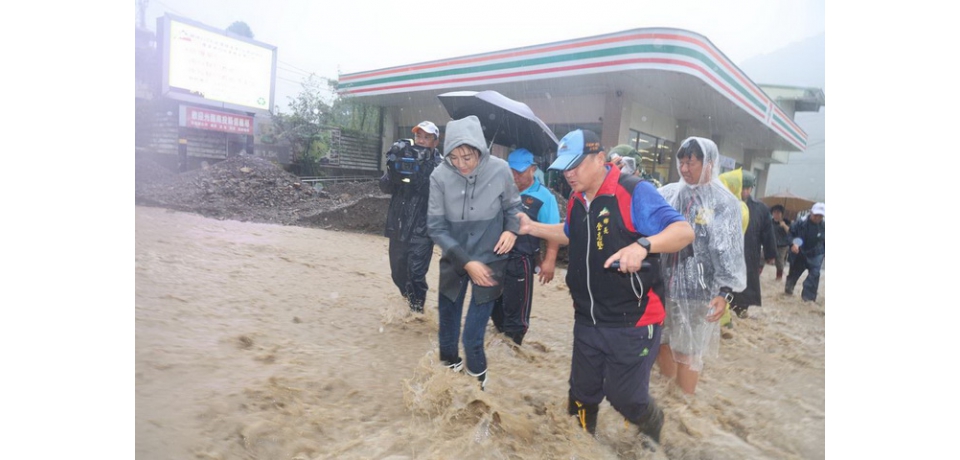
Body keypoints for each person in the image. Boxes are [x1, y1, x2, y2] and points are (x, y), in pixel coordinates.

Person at [517, 129, 694, 443]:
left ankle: (654, 430)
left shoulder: (633, 192)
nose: (569, 174)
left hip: (633, 320)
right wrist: (533, 227)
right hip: (588, 319)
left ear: (600, 158)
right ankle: (583, 447)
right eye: (564, 167)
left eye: (576, 165)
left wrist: (643, 245)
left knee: (625, 398)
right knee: (581, 398)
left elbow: (683, 231)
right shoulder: (577, 198)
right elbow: (571, 232)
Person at [427, 115, 523, 391]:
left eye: (467, 157)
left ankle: (478, 393)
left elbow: (514, 207)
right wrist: (467, 262)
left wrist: (511, 230)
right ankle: (450, 389)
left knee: (471, 339)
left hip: (491, 260)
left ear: (480, 149)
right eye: (454, 157)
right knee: (446, 339)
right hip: (455, 260)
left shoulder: (500, 170)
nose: (461, 164)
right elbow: (435, 226)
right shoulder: (439, 176)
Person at [657, 137, 747, 395]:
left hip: (699, 293)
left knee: (688, 350)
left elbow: (729, 253)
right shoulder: (670, 193)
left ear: (709, 163)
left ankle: (684, 406)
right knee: (662, 341)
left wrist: (723, 294)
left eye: (691, 162)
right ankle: (667, 398)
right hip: (663, 285)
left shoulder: (724, 203)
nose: (684, 169)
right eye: (681, 162)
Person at [490, 148, 561, 345]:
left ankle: (513, 350)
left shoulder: (544, 197)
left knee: (516, 315)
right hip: (495, 258)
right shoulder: (500, 190)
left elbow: (554, 233)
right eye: (511, 171)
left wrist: (549, 261)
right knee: (494, 308)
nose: (515, 176)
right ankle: (499, 348)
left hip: (521, 261)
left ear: (533, 169)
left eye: (520, 172)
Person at [379, 121, 442, 313]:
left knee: (416, 273)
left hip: (423, 228)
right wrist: (393, 170)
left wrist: (421, 170)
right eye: (418, 136)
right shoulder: (403, 155)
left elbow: (437, 194)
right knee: (398, 273)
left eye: (426, 137)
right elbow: (385, 187)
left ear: (435, 142)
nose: (421, 141)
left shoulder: (440, 165)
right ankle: (409, 299)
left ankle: (417, 312)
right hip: (399, 224)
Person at [729, 171, 777, 318]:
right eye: (742, 187)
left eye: (748, 188)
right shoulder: (725, 204)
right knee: (727, 282)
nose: (744, 191)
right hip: (728, 253)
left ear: (751, 189)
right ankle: (725, 311)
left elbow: (767, 233)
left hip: (749, 253)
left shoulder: (760, 209)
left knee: (747, 283)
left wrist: (770, 254)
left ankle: (741, 309)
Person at [785, 202, 825, 302]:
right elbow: (790, 235)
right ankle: (788, 290)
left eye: (820, 216)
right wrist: (793, 244)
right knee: (793, 276)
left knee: (815, 275)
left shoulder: (824, 227)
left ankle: (808, 300)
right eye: (816, 215)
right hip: (800, 253)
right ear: (811, 212)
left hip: (816, 254)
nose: (817, 218)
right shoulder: (799, 223)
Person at [770, 204, 792, 281]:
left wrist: (784, 226)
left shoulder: (786, 222)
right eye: (774, 212)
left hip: (782, 245)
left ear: (782, 214)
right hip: (771, 243)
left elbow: (791, 232)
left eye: (778, 212)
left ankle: (779, 276)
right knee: (762, 258)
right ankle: (758, 274)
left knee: (779, 261)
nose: (776, 214)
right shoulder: (769, 222)